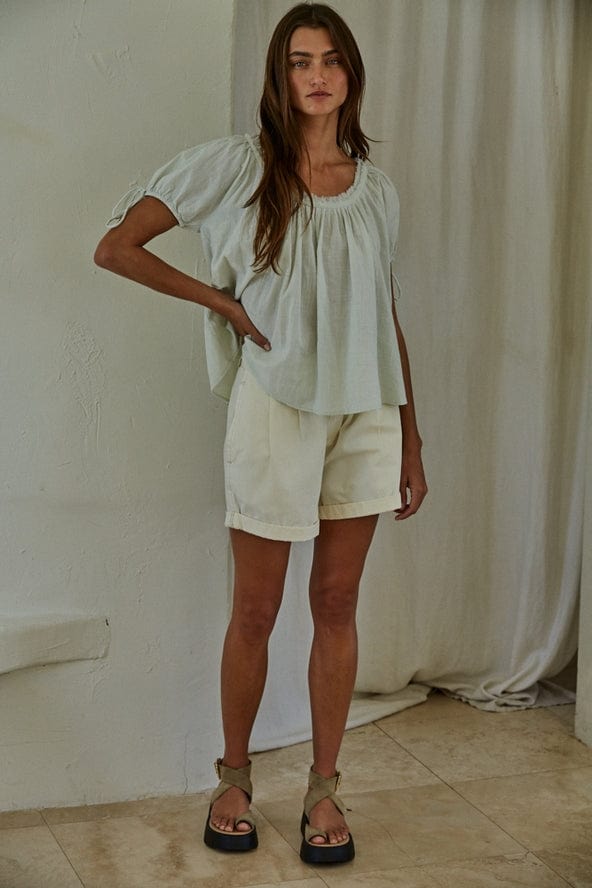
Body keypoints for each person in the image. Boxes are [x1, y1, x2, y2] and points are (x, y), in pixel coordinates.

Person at [94, 1, 427, 866]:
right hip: (275, 408)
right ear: (279, 77)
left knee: (337, 604)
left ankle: (324, 789)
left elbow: (384, 316)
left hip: (366, 414)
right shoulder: (240, 167)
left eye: (331, 59)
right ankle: (234, 778)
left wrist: (412, 440)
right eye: (298, 61)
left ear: (351, 74)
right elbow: (117, 247)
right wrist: (223, 304)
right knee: (256, 607)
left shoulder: (377, 190)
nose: (316, 75)